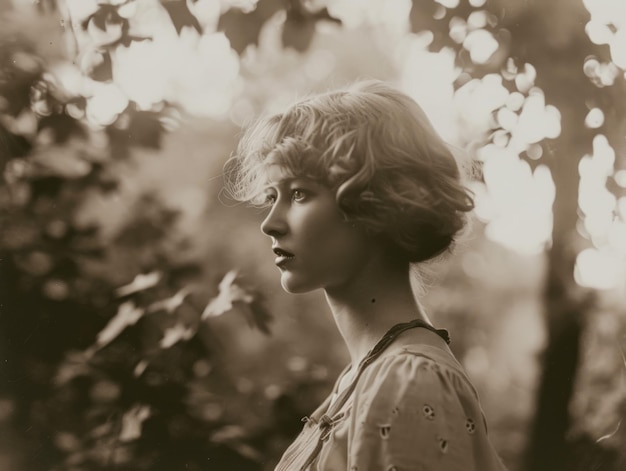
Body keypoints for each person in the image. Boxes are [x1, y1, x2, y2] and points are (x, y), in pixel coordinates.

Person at [225, 80, 507, 471]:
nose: (270, 224)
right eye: (272, 196)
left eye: (300, 194)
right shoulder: (367, 377)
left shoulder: (409, 381)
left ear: (375, 203)